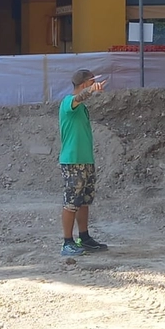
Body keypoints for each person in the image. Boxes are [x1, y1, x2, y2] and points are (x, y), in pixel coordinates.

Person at [59, 69, 108, 257]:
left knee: (84, 201)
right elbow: (78, 98)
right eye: (91, 81)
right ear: (84, 83)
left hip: (85, 159)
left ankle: (84, 237)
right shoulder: (67, 103)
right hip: (73, 161)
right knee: (71, 202)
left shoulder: (81, 107)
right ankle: (67, 242)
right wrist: (91, 91)